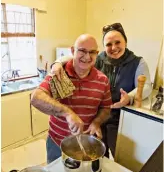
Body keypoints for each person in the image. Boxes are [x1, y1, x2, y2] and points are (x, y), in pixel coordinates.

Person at [50, 23, 152, 157]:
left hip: (121, 120)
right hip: (98, 117)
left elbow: (146, 86)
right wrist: (57, 63)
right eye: (109, 44)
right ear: (103, 47)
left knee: (120, 155)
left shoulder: (138, 62)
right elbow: (77, 56)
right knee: (98, 153)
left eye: (118, 42)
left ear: (125, 42)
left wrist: (130, 97)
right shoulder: (98, 58)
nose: (114, 48)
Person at [31, 34, 112, 163]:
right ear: (73, 51)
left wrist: (96, 122)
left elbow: (106, 108)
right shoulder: (59, 74)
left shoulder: (103, 80)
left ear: (97, 54)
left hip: (86, 144)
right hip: (57, 143)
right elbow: (36, 98)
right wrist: (67, 113)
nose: (87, 57)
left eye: (92, 52)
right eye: (82, 51)